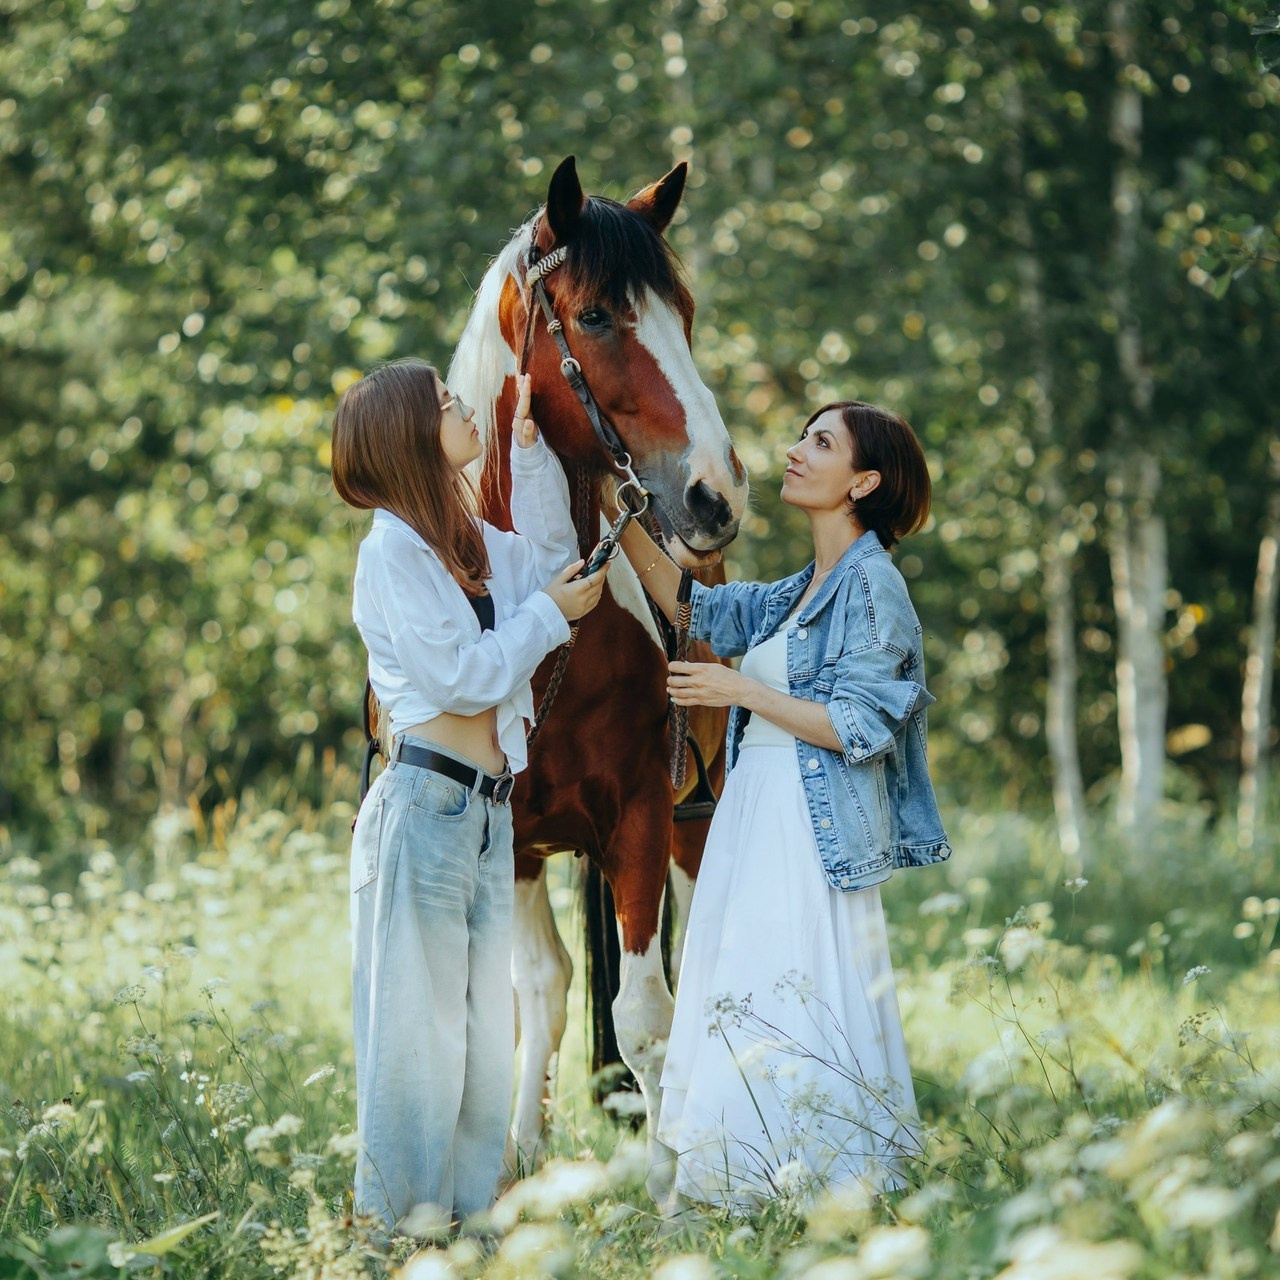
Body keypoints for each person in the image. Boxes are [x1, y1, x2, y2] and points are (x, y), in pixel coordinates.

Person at [618, 400, 950, 1212]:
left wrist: (739, 691)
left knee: (789, 983)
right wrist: (614, 507)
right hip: (756, 815)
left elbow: (859, 727)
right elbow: (695, 607)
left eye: (821, 442)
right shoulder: (805, 588)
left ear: (863, 483)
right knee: (746, 983)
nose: (796, 451)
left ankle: (814, 1183)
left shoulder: (874, 587)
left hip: (807, 824)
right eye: (803, 436)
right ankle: (742, 1176)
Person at [331, 359, 608, 1236]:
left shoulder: (462, 540)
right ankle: (393, 1235)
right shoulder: (391, 552)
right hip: (426, 807)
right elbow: (460, 676)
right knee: (416, 1040)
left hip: (488, 812)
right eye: (445, 402)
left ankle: (464, 1229)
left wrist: (529, 460)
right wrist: (548, 617)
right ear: (409, 434)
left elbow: (554, 569)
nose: (463, 406)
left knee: (486, 1036)